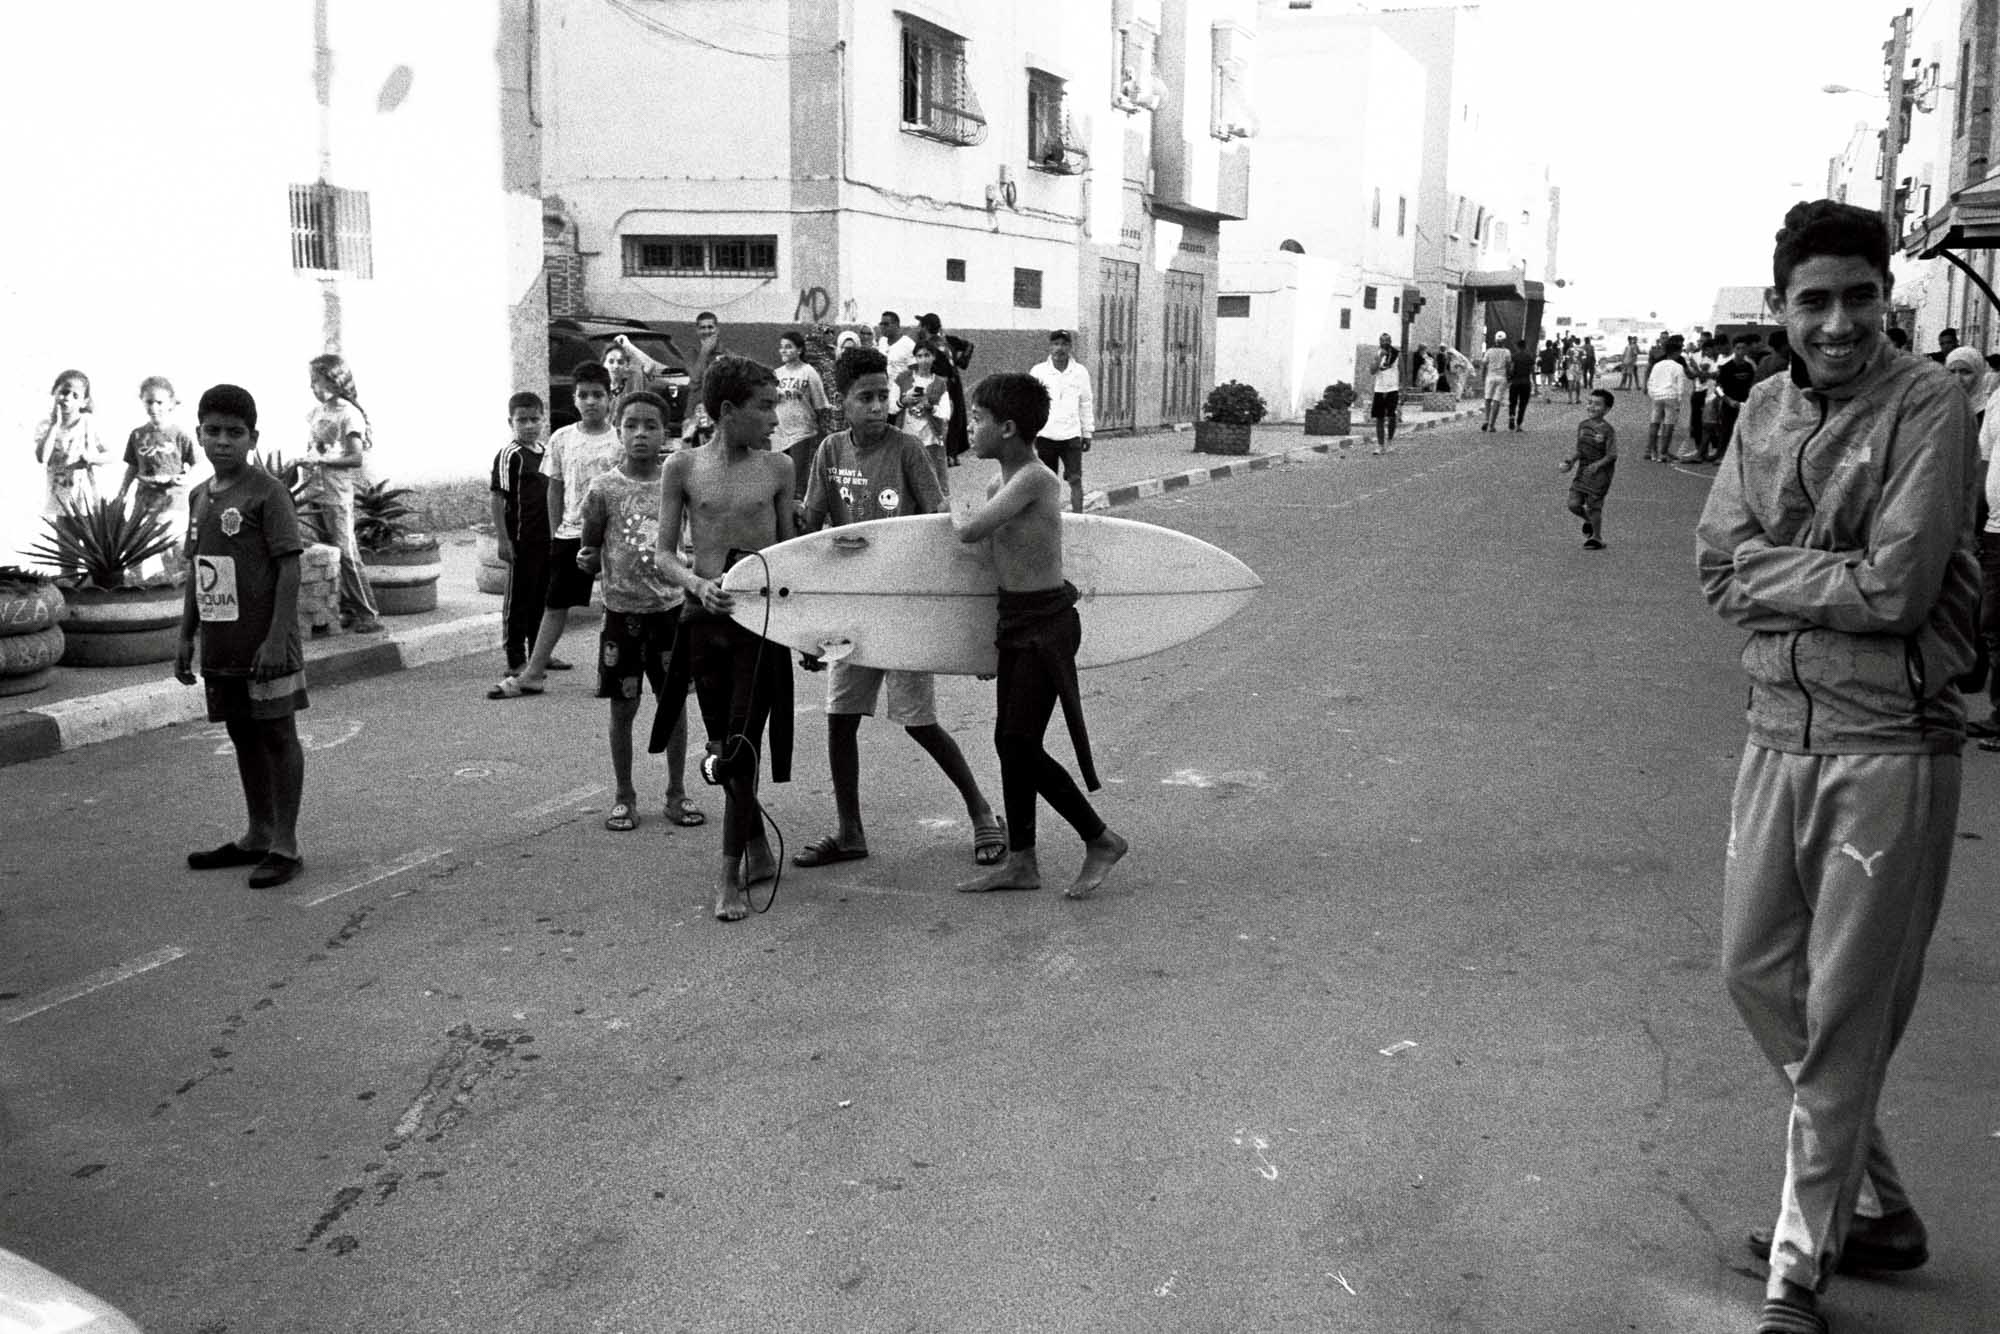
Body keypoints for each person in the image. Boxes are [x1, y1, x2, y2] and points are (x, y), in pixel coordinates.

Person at [1696, 199, 1979, 1334]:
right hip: (1775, 731)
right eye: (1813, 299)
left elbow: (1901, 587)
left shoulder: (1930, 402)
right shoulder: (1759, 409)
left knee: (1846, 1014)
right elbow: (1716, 569)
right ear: (1778, 309)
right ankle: (1881, 1207)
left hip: (1890, 744)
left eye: (1859, 295)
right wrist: (1823, 567)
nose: (1838, 321)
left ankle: (1798, 1270)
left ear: (1885, 296)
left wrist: (1780, 566)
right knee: (1753, 970)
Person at [794, 345, 1007, 870]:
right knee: (840, 719)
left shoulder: (908, 449)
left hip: (906, 607)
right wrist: (804, 625)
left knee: (919, 722)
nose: (876, 406)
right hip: (853, 611)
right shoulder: (830, 453)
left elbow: (939, 521)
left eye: (882, 396)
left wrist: (976, 617)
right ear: (841, 402)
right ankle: (849, 831)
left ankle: (982, 813)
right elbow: (810, 531)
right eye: (864, 397)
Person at [950, 371, 1128, 898]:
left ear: (1006, 428)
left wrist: (947, 504)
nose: (971, 427)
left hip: (1048, 625)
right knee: (1011, 743)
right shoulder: (996, 483)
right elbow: (992, 565)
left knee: (1017, 741)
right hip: (1015, 621)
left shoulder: (1034, 478)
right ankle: (1022, 862)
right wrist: (989, 641)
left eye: (977, 419)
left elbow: (968, 531)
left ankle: (1100, 838)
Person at [655, 357, 797, 920]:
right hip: (705, 622)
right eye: (764, 407)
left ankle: (728, 876)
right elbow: (666, 554)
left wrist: (805, 630)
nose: (775, 419)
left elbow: (789, 556)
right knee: (722, 745)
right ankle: (757, 847)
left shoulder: (780, 469)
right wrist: (696, 583)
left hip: (759, 626)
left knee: (741, 746)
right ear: (729, 411)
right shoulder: (683, 468)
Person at [176, 384, 309, 890]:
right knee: (241, 733)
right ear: (199, 435)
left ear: (253, 437)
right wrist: (186, 635)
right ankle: (257, 834)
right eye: (213, 431)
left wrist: (277, 639)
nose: (223, 441)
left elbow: (289, 568)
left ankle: (286, 845)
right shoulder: (199, 497)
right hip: (222, 645)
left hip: (267, 645)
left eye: (235, 432)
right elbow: (199, 570)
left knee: (277, 733)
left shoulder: (267, 493)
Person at [575, 389, 694, 836]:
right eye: (631, 426)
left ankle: (677, 792)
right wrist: (586, 561)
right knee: (623, 707)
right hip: (621, 615)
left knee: (674, 706)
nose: (640, 434)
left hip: (670, 611)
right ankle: (624, 795)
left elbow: (691, 537)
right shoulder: (603, 488)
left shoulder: (676, 482)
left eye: (651, 426)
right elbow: (590, 545)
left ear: (666, 432)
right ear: (618, 429)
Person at [495, 361, 617, 698]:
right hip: (569, 534)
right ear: (575, 399)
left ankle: (610, 673)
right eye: (584, 395)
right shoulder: (562, 439)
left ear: (609, 398)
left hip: (613, 536)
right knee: (555, 603)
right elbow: (555, 488)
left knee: (615, 606)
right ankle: (533, 672)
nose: (591, 401)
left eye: (598, 395)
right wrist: (554, 534)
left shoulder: (620, 440)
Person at [302, 354, 383, 634]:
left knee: (347, 554)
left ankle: (368, 612)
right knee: (330, 554)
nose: (313, 386)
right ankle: (347, 608)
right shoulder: (317, 413)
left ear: (335, 381)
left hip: (336, 494)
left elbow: (354, 457)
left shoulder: (349, 414)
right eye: (311, 381)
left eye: (318, 380)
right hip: (316, 491)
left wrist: (321, 462)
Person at [488, 391, 551, 680]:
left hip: (546, 541)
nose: (529, 425)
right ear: (510, 422)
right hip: (521, 541)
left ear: (543, 419)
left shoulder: (547, 453)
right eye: (521, 420)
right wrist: (503, 539)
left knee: (542, 599)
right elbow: (498, 498)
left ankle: (540, 654)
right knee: (519, 601)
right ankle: (516, 659)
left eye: (534, 419)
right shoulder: (509, 455)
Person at [115, 375, 198, 582]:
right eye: (149, 401)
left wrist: (186, 477)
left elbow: (198, 461)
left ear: (170, 403)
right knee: (134, 544)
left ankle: (178, 589)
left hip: (172, 499)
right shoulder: (137, 435)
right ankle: (137, 586)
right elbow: (132, 466)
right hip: (145, 499)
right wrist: (122, 492)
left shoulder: (179, 434)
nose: (154, 407)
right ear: (142, 401)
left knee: (171, 546)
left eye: (159, 402)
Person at [1029, 330, 1095, 513]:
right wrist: (1031, 432)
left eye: (1064, 344)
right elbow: (1030, 403)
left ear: (1070, 347)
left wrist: (1087, 432)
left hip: (1071, 435)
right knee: (1047, 482)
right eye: (1056, 344)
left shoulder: (1080, 372)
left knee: (1075, 480)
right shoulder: (1038, 371)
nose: (1060, 348)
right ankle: (1046, 519)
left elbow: (1085, 402)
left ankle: (1079, 518)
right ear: (1050, 347)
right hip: (1045, 435)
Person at [35, 369, 109, 519]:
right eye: (64, 392)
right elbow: (42, 457)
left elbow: (111, 455)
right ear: (54, 392)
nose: (67, 398)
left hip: (86, 495)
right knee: (65, 541)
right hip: (61, 496)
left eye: (75, 396)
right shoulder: (46, 426)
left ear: (84, 402)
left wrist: (91, 458)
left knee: (90, 539)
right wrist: (55, 425)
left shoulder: (89, 423)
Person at [773, 329, 831, 502]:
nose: (784, 351)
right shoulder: (776, 374)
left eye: (789, 347)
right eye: (782, 347)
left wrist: (819, 431)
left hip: (803, 432)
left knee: (798, 480)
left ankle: (800, 517)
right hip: (780, 433)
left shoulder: (809, 372)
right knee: (781, 479)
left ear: (799, 350)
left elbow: (820, 404)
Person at [1558, 389, 1617, 549]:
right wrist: (1570, 461)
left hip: (1600, 475)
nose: (1591, 406)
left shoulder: (1607, 430)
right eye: (1590, 402)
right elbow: (1580, 449)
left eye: (1597, 404)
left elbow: (1612, 455)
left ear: (1607, 409)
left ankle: (1596, 538)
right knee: (1573, 504)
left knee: (1594, 506)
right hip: (1582, 473)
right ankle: (1588, 520)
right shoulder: (1583, 426)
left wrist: (1597, 465)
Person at [1643, 334, 1690, 462]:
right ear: (1676, 352)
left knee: (1654, 423)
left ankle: (1652, 452)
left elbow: (1650, 381)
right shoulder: (1678, 366)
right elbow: (1680, 386)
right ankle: (1663, 453)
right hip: (1671, 396)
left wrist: (1653, 394)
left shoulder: (1657, 365)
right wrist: (1679, 402)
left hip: (1657, 396)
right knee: (1669, 425)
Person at [1369, 334, 1401, 454]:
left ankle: (1390, 441)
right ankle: (1380, 445)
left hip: (1393, 388)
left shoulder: (1397, 354)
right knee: (1379, 418)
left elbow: (1403, 371)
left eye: (1387, 340)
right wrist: (1379, 358)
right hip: (1379, 389)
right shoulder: (1377, 354)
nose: (1385, 343)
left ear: (1390, 341)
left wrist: (1402, 390)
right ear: (1379, 342)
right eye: (1382, 341)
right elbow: (1372, 371)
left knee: (1392, 416)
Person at [1480, 332, 1512, 431]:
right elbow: (1508, 366)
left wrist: (1482, 377)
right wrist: (1509, 378)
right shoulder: (1507, 352)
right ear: (1504, 341)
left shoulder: (1489, 351)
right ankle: (1491, 425)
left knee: (1488, 399)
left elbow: (1484, 365)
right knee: (1497, 401)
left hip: (1490, 377)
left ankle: (1486, 419)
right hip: (1502, 378)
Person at [1506, 334, 1535, 431]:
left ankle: (1512, 416)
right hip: (1526, 382)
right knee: (1523, 404)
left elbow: (1511, 369)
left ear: (1518, 346)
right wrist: (1534, 383)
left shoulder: (1514, 357)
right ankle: (1519, 424)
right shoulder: (1529, 357)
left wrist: (1509, 378)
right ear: (1525, 346)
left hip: (1515, 382)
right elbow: (1532, 371)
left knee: (1512, 402)